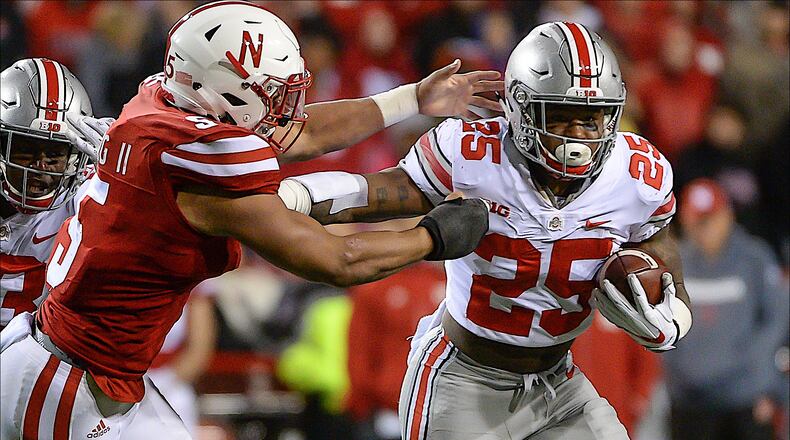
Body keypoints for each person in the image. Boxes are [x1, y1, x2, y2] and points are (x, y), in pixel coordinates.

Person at [0, 1, 500, 438]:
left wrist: (409, 99)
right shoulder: (197, 156)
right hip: (65, 381)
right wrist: (433, 237)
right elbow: (337, 259)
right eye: (272, 92)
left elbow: (298, 135)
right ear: (226, 90)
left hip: (70, 362)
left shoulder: (161, 103)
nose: (287, 108)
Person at [277, 22, 694, 439]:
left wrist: (675, 312)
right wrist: (289, 195)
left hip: (559, 382)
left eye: (593, 118)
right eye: (561, 116)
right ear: (520, 108)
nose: (578, 136)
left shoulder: (639, 173)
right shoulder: (474, 151)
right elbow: (383, 192)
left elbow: (655, 241)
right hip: (463, 379)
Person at [662, 178, 788, 440]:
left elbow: (776, 321)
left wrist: (764, 383)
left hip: (744, 400)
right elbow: (660, 326)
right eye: (697, 220)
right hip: (690, 401)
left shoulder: (755, 259)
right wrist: (678, 375)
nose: (704, 229)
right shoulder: (675, 264)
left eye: (710, 219)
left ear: (727, 215)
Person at [0, 58, 97, 330]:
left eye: (54, 154)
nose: (41, 168)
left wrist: (126, 178)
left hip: (41, 355)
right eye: (27, 148)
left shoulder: (90, 193)